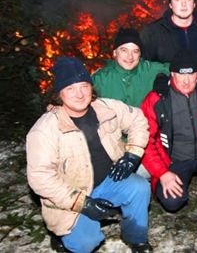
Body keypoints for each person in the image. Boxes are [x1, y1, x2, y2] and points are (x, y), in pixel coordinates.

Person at [26, 57, 152, 252]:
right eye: (70, 88)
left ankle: (135, 237)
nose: (79, 94)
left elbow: (137, 118)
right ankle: (63, 238)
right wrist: (82, 203)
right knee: (86, 242)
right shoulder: (44, 130)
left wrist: (132, 154)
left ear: (91, 88)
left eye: (84, 86)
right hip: (70, 196)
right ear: (59, 93)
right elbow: (40, 178)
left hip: (107, 181)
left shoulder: (105, 108)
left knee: (139, 187)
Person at [139, 50, 197, 214]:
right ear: (172, 74)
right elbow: (145, 139)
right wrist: (162, 173)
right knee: (172, 201)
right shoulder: (157, 99)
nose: (186, 80)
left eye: (191, 74)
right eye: (181, 75)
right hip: (177, 158)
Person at [92, 28, 169, 107]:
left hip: (144, 119)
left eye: (135, 51)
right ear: (115, 53)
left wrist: (162, 77)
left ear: (140, 54)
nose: (130, 57)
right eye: (124, 50)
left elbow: (176, 69)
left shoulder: (150, 70)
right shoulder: (100, 78)